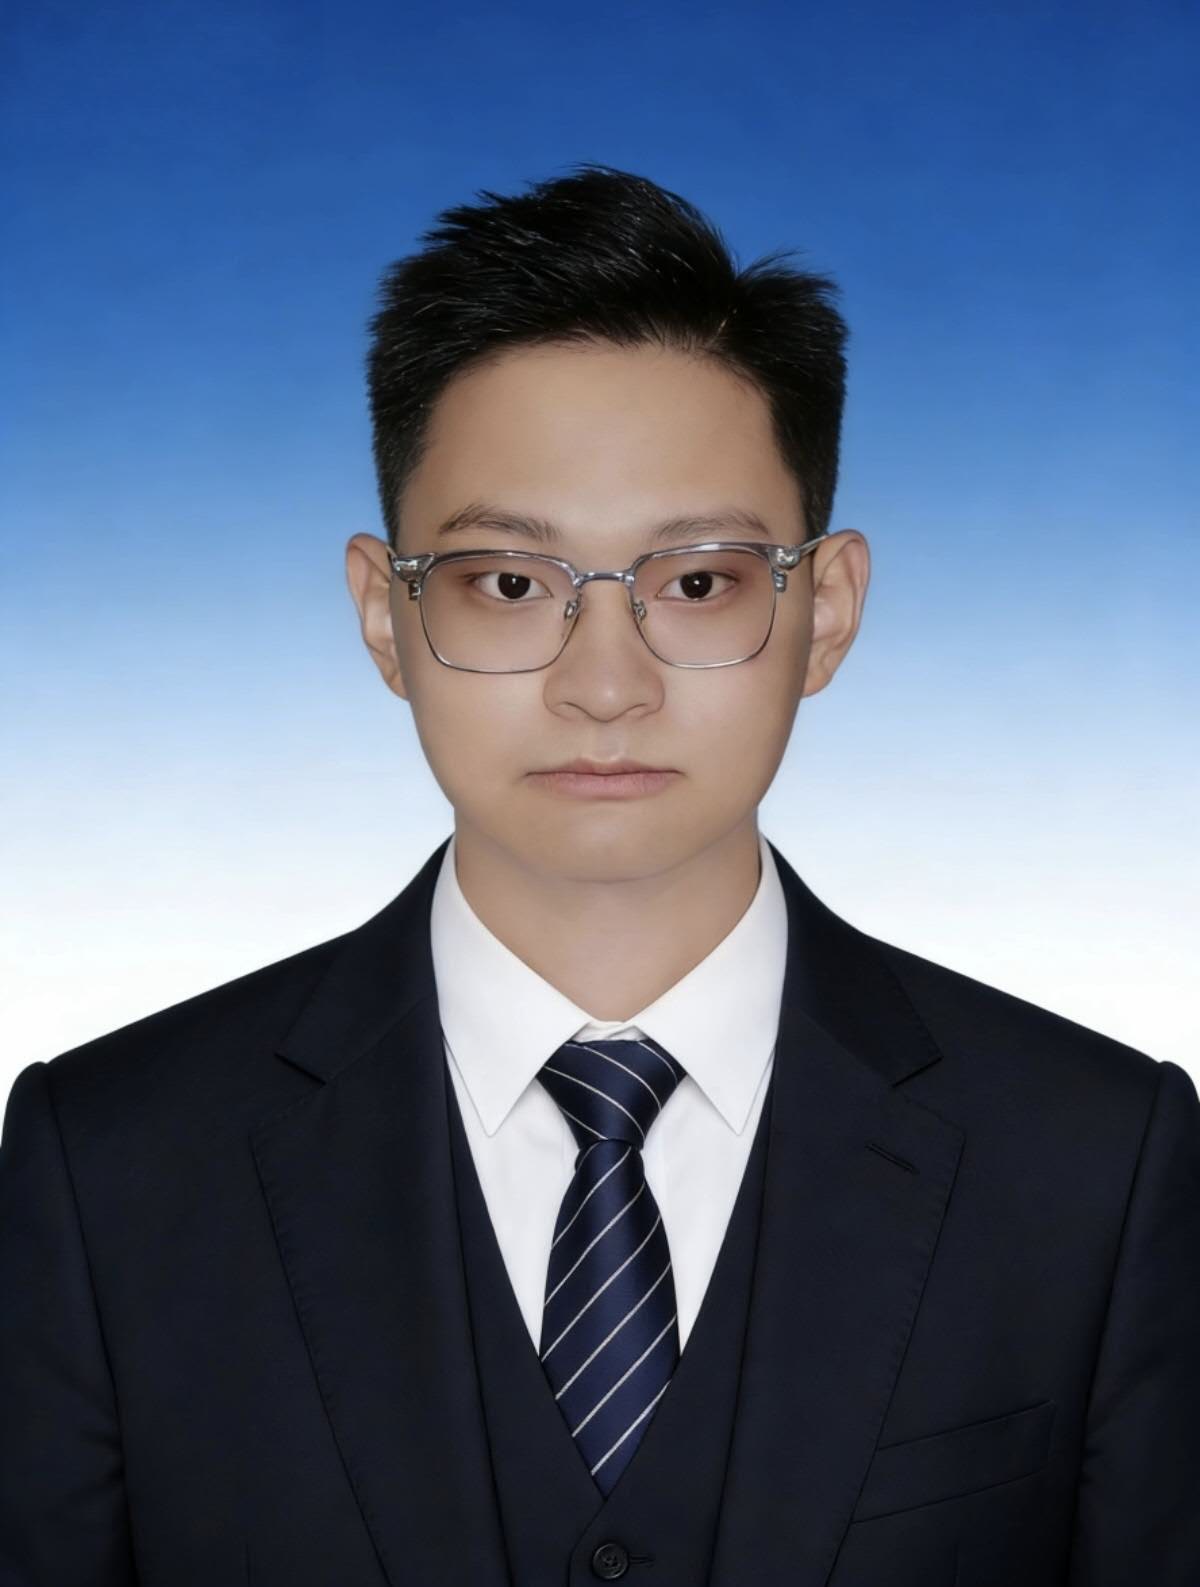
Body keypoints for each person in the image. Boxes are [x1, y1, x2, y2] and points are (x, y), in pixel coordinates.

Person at [1, 162, 1196, 1587]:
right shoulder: (108, 1167)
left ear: (826, 611)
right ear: (385, 617)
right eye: (511, 585)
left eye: (698, 582)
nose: (606, 686)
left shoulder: (1095, 1165)